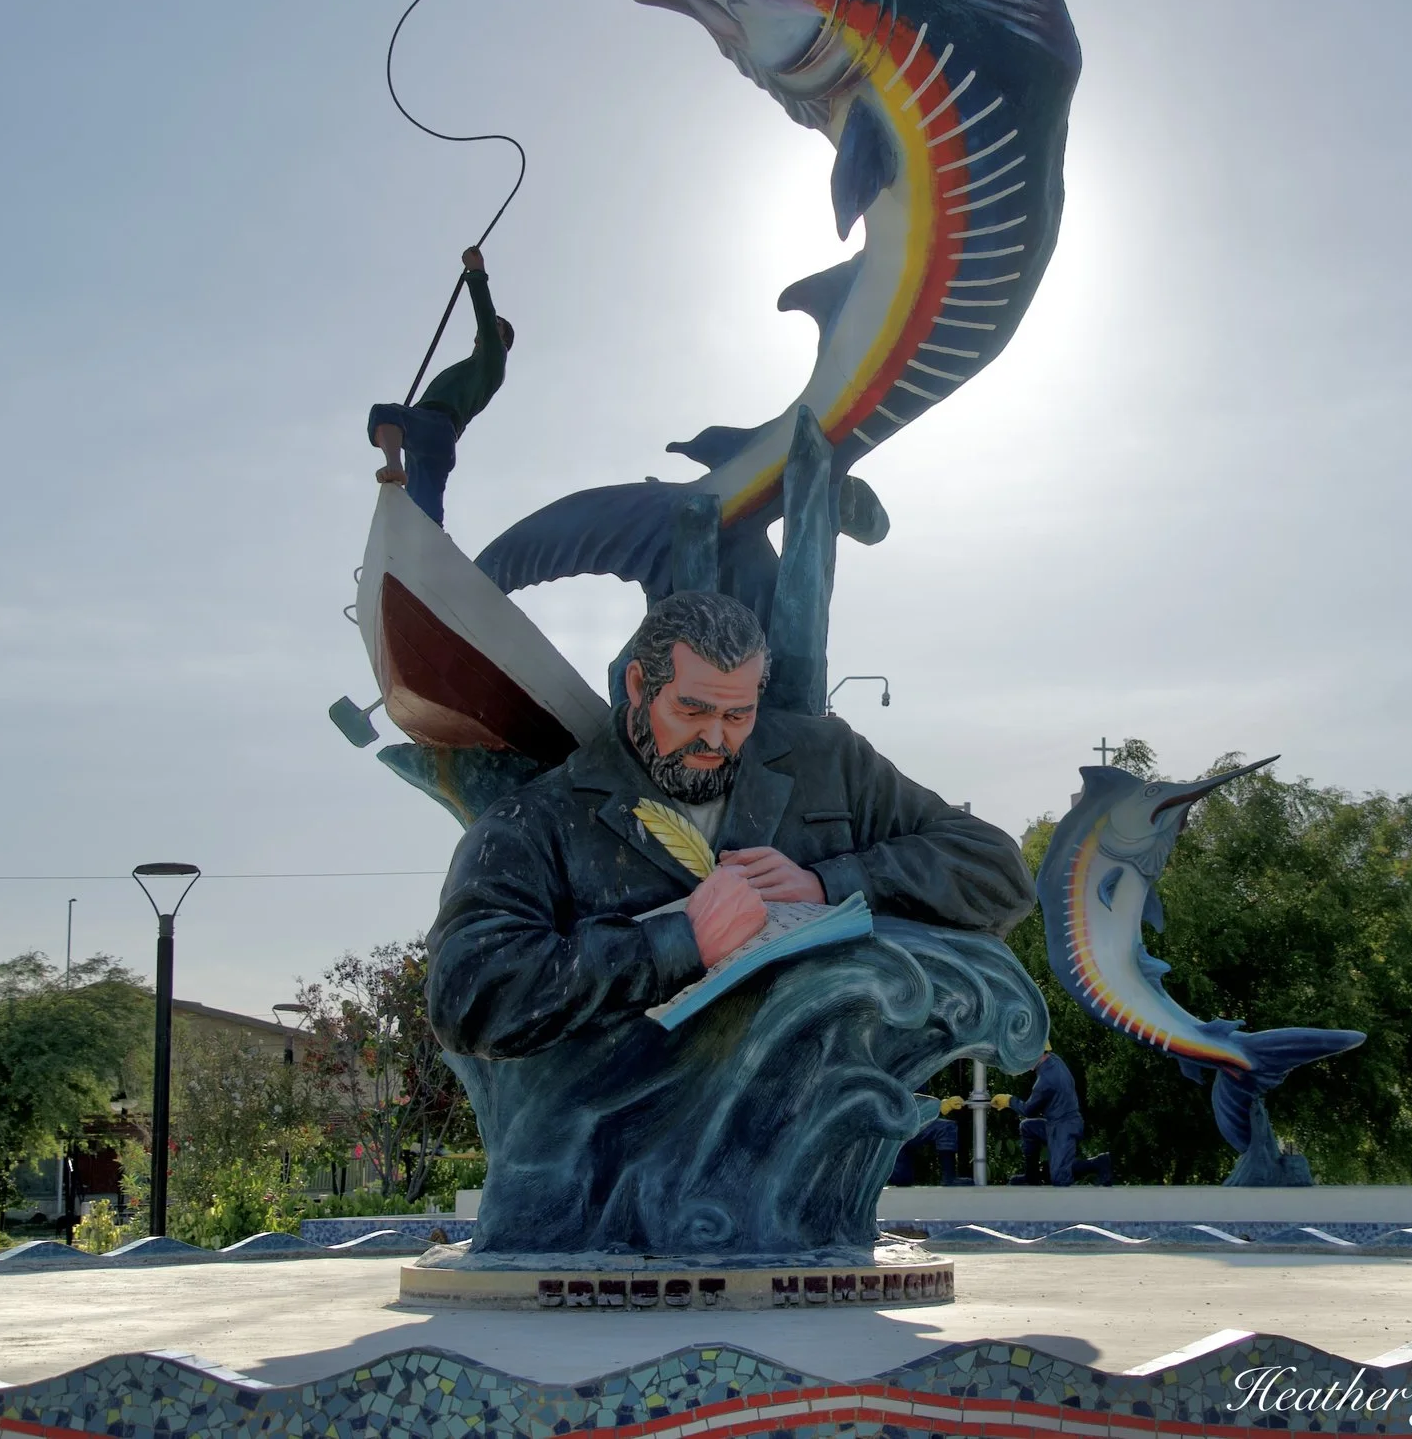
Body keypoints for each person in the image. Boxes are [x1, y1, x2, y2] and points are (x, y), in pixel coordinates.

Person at [426, 589, 1038, 1254]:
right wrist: (676, 943)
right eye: (692, 709)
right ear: (639, 684)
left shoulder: (824, 760)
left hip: (801, 1205)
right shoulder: (542, 819)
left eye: (738, 713)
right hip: (605, 1199)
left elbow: (997, 871)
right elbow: (468, 992)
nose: (716, 737)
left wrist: (830, 882)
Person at [367, 246, 515, 528]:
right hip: (436, 439)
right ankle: (428, 544)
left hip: (435, 424)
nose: (488, 327)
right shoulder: (473, 367)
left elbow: (485, 313)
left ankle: (394, 466)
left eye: (496, 327)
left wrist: (476, 273)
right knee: (422, 512)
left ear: (502, 339)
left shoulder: (493, 360)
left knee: (384, 414)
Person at [1002, 1047, 1114, 1187]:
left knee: (1060, 1178)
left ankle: (1098, 1162)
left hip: (1064, 1128)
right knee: (1027, 1127)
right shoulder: (1053, 1059)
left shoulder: (1046, 1080)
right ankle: (1032, 1176)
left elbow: (1028, 1110)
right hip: (1058, 1123)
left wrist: (1009, 1100)